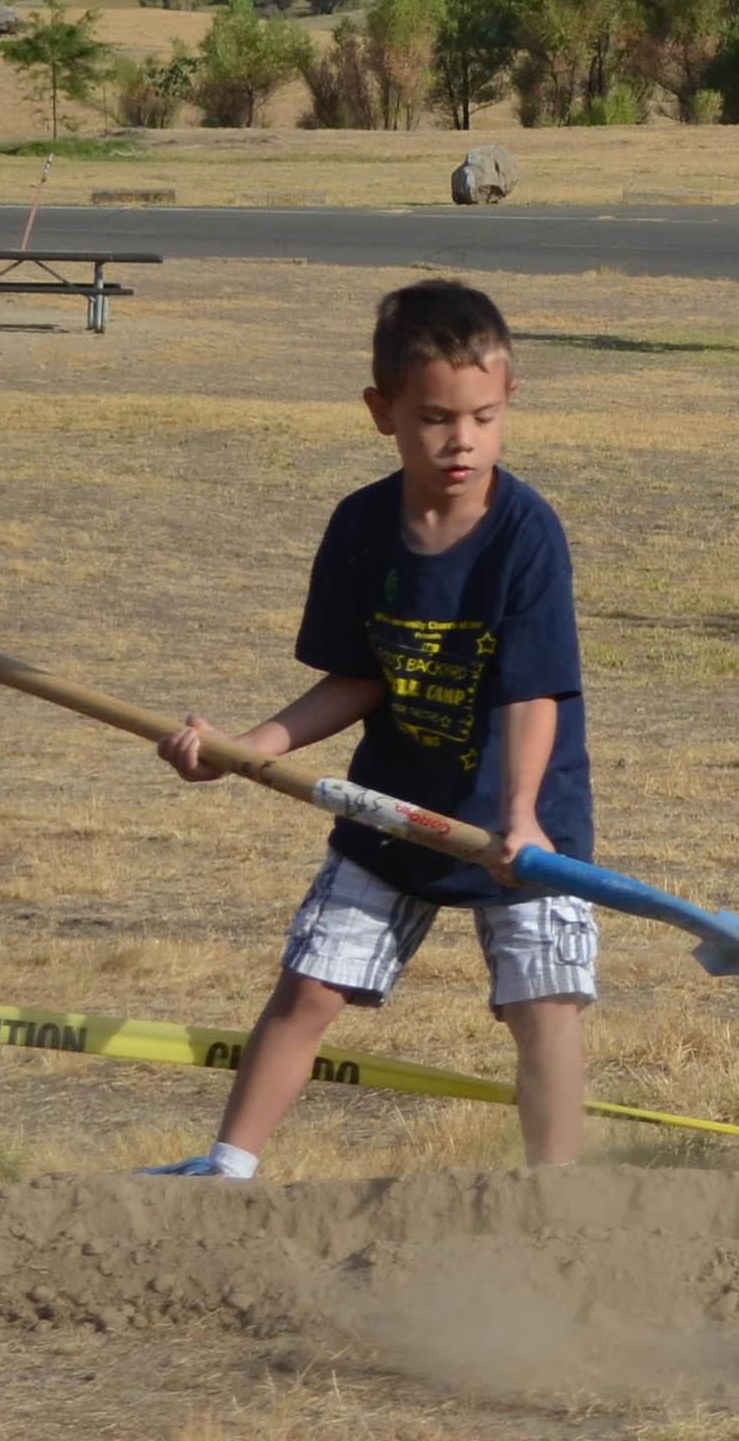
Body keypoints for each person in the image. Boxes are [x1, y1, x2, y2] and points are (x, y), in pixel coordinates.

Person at [145, 277, 598, 1176]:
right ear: (382, 412)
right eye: (434, 417)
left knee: (541, 1004)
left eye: (483, 416)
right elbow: (357, 680)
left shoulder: (527, 535)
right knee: (309, 987)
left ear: (511, 400)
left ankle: (557, 1200)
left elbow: (532, 694)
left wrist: (519, 818)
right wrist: (251, 748)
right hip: (390, 808)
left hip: (524, 819)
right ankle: (227, 1169)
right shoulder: (360, 528)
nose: (461, 440)